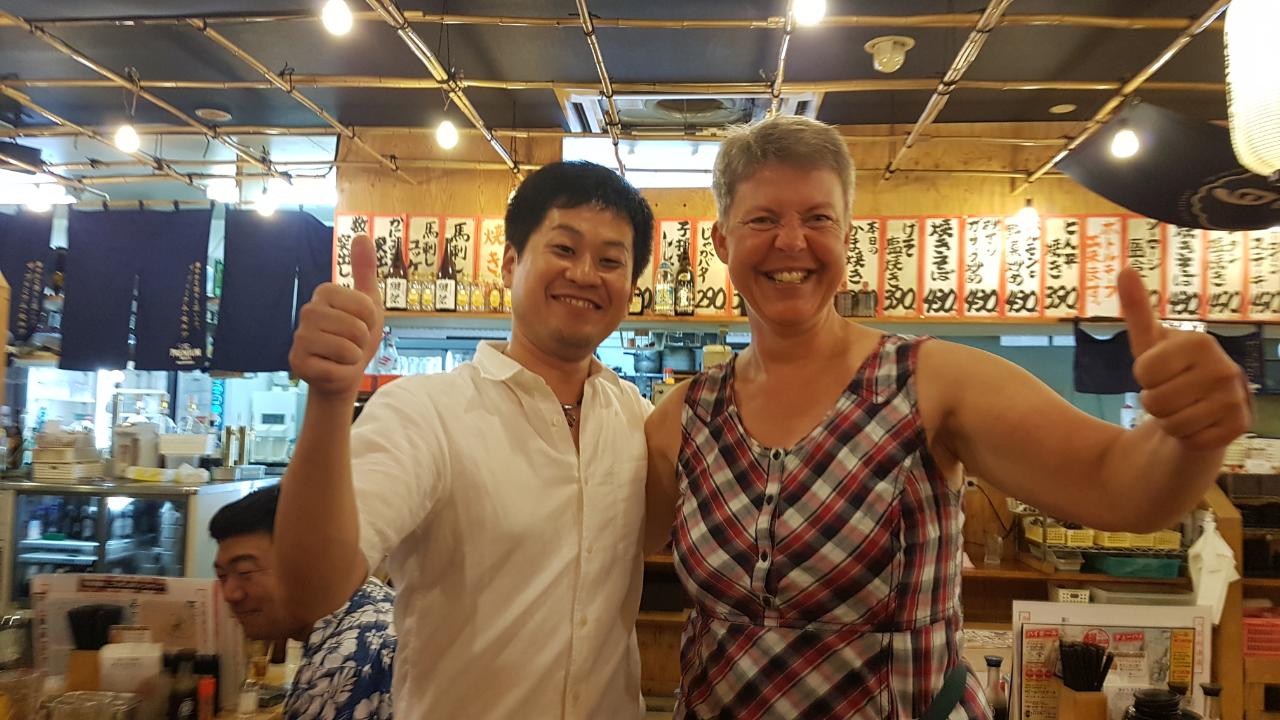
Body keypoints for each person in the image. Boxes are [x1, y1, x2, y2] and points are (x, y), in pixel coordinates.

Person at [643, 116, 1252, 719]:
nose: (792, 241)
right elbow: (610, 548)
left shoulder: (930, 382)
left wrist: (1189, 435)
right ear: (722, 242)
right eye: (762, 219)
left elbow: (1121, 486)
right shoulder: (685, 415)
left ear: (847, 236)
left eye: (818, 218)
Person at [277, 161, 655, 718]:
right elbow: (311, 590)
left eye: (610, 261)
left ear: (629, 287)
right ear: (510, 263)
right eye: (564, 248)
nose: (584, 273)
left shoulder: (639, 421)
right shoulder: (425, 412)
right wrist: (330, 400)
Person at [209, 484, 395, 719]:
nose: (230, 594)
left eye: (245, 572)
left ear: (307, 559)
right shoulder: (370, 601)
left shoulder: (340, 666)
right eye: (222, 576)